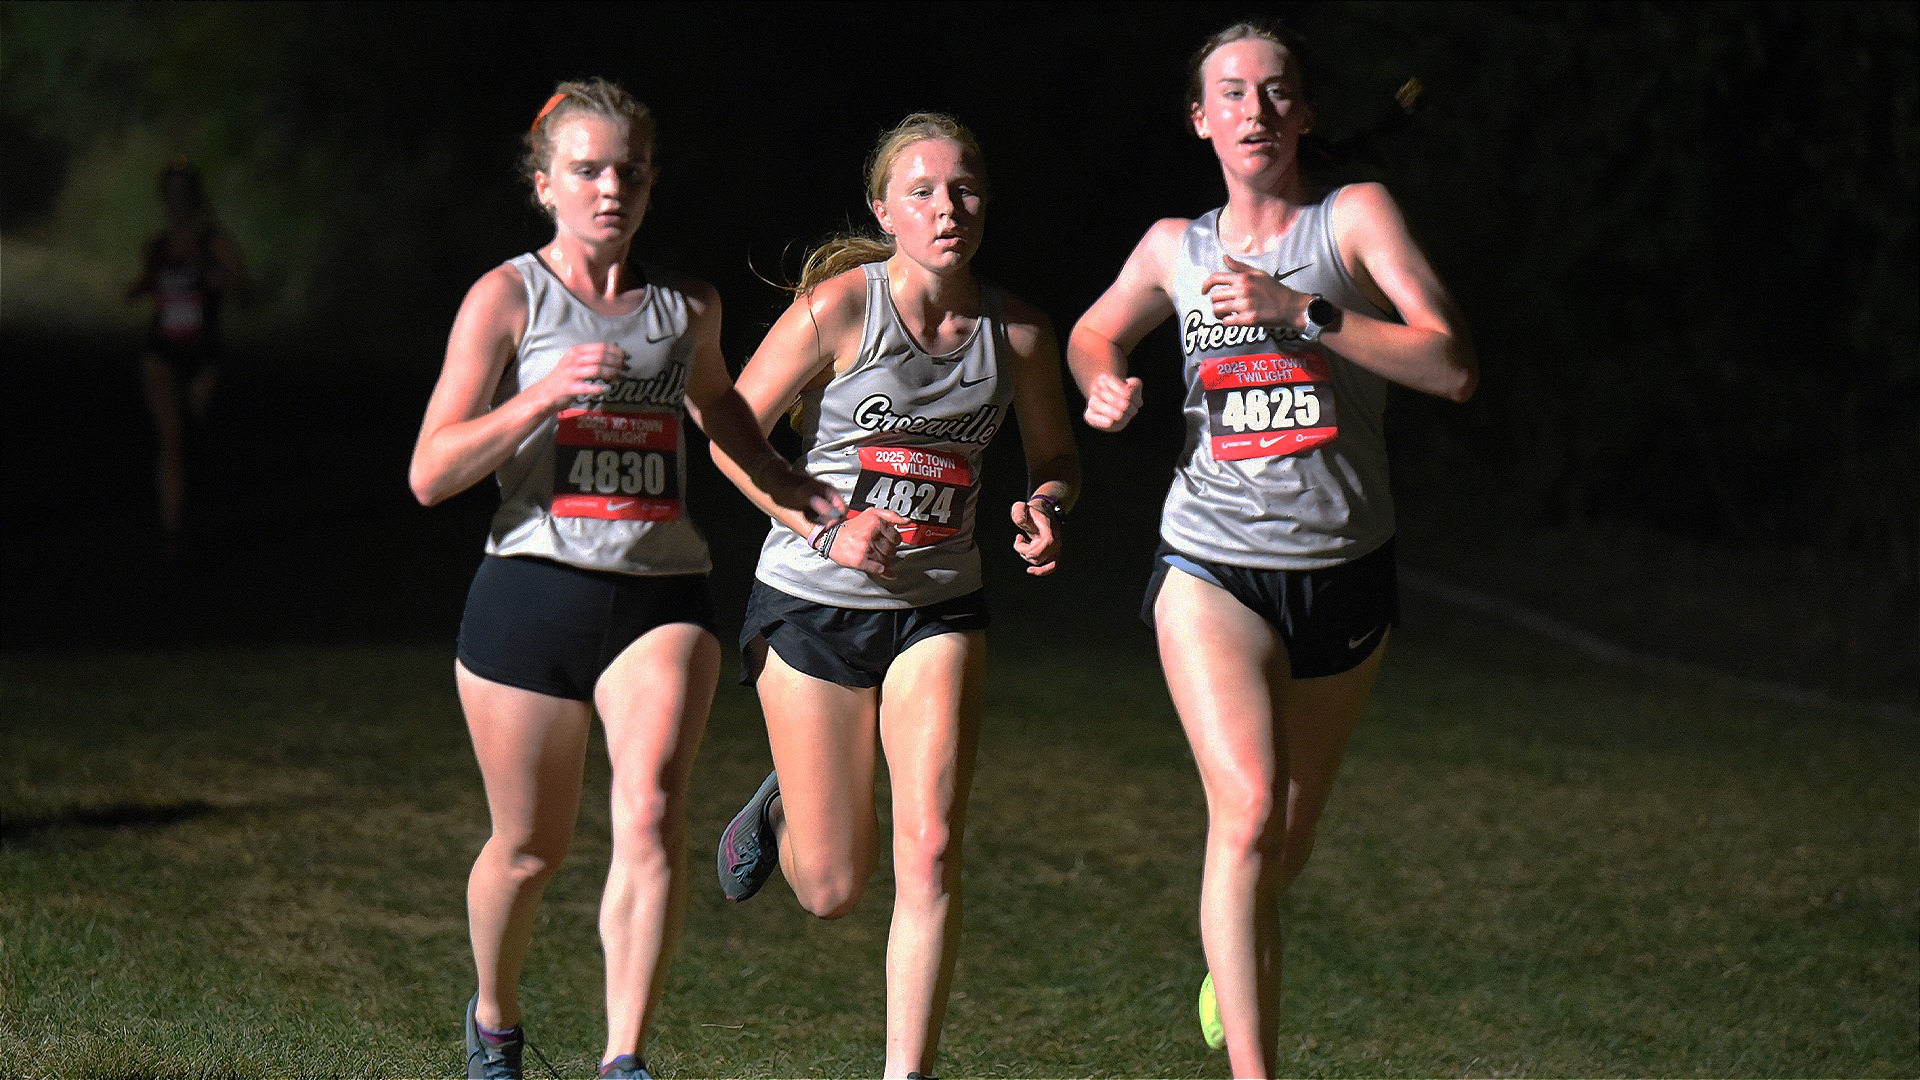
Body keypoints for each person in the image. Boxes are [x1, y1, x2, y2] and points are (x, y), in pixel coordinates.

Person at [1066, 23, 1476, 1078]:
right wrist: (1103, 378)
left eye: (1275, 91)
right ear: (1202, 120)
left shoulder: (1354, 220)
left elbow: (1450, 366)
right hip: (1210, 564)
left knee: (1278, 846)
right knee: (1244, 813)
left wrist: (1305, 311)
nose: (1254, 109)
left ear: (1301, 113)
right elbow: (1092, 331)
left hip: (1345, 570)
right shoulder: (1176, 248)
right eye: (1231, 93)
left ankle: (1228, 949)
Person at [408, 78, 839, 1080]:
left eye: (630, 172)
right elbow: (431, 472)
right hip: (530, 596)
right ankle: (495, 1019)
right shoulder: (508, 297)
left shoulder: (687, 305)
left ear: (650, 184)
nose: (612, 189)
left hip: (661, 595)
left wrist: (783, 483)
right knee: (529, 847)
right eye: (589, 170)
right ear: (546, 182)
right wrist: (542, 397)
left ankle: (624, 1057)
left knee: (650, 811)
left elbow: (720, 407)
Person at [710, 113, 1081, 1080]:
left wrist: (1045, 504)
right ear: (886, 210)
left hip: (938, 604)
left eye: (962, 189)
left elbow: (1056, 458)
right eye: (921, 192)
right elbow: (729, 436)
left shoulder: (1022, 333)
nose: (946, 208)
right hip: (811, 602)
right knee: (831, 888)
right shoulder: (842, 308)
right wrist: (826, 525)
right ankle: (786, 806)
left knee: (933, 847)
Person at [125, 159, 248, 559]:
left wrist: (218, 278)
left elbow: (244, 291)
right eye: (170, 192)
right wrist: (139, 288)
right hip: (162, 352)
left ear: (193, 196)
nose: (176, 200)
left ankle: (200, 521)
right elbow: (147, 283)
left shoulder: (214, 242)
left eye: (183, 191)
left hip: (203, 354)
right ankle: (171, 535)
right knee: (171, 440)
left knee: (197, 439)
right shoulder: (157, 246)